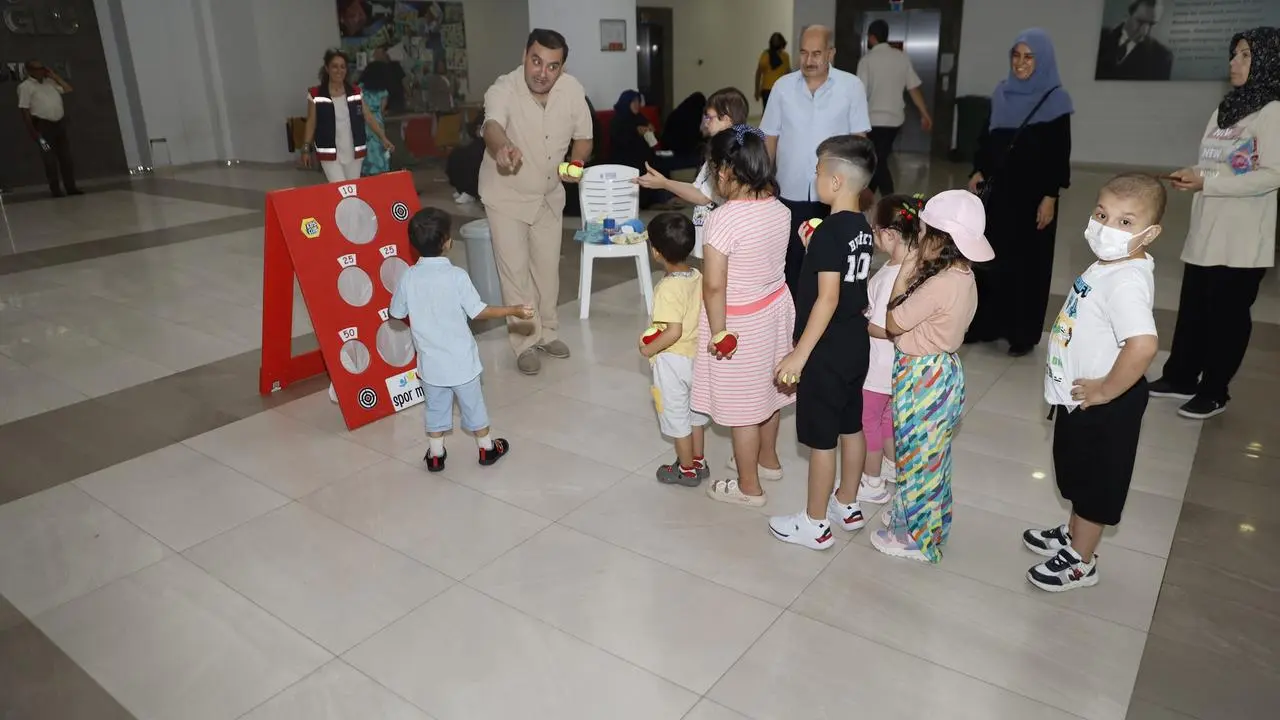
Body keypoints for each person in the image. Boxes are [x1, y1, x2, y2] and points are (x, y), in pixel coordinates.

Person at [1024, 173, 1164, 592]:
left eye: (1125, 222)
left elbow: (1143, 345)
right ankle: (1074, 534)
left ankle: (1081, 561)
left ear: (1149, 234)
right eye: (1102, 215)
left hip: (1105, 404)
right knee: (1077, 473)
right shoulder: (1110, 265)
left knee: (1095, 485)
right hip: (1084, 399)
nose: (1107, 227)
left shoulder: (1125, 280)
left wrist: (1104, 390)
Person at [1153, 28, 1280, 419]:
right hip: (1206, 229)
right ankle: (1181, 377)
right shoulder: (1225, 109)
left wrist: (1207, 182)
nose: (1233, 63)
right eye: (1233, 54)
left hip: (1241, 238)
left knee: (1227, 318)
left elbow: (1272, 174)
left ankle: (1214, 391)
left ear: (1268, 61)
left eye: (1245, 55)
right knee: (1194, 309)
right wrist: (1193, 173)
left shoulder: (1272, 112)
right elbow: (1214, 164)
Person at [768, 135, 877, 550]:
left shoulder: (831, 231)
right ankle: (847, 503)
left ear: (835, 181)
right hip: (855, 342)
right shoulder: (860, 227)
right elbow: (845, 277)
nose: (814, 179)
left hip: (826, 348)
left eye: (817, 172)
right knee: (851, 425)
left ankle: (814, 523)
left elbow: (827, 298)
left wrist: (800, 354)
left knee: (821, 440)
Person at [874, 190, 993, 564]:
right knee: (931, 457)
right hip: (941, 370)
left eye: (925, 232)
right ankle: (925, 521)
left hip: (922, 376)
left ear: (943, 240)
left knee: (916, 461)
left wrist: (906, 268)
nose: (919, 238)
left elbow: (893, 321)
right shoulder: (961, 275)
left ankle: (915, 538)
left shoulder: (940, 284)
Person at [692, 124, 796, 507]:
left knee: (743, 408)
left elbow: (713, 286)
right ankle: (768, 460)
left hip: (739, 322)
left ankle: (749, 487)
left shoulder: (723, 220)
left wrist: (719, 332)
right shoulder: (780, 209)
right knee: (769, 391)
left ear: (724, 170)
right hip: (775, 309)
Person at [480, 29, 593, 375]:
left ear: (562, 67)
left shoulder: (572, 90)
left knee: (547, 272)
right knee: (515, 273)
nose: (542, 73)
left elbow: (584, 138)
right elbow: (492, 126)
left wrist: (576, 163)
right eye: (536, 61)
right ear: (524, 56)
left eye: (552, 66)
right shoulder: (503, 88)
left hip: (548, 197)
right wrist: (502, 148)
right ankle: (525, 342)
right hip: (506, 196)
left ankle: (548, 332)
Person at [389, 208, 534, 472]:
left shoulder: (408, 277)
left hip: (431, 366)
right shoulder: (456, 276)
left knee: (435, 410)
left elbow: (396, 313)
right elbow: (478, 311)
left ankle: (436, 455)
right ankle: (487, 448)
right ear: (447, 242)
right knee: (474, 407)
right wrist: (513, 310)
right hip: (462, 363)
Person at [966, 28, 1073, 357]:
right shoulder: (1001, 94)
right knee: (990, 257)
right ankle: (986, 324)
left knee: (1027, 264)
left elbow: (1058, 153)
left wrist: (1050, 196)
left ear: (1042, 61)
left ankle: (1021, 332)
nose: (1020, 63)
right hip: (998, 193)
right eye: (1016, 55)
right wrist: (978, 170)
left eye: (1029, 57)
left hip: (1032, 197)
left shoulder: (1056, 100)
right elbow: (986, 139)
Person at [761, 25, 872, 303]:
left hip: (836, 197)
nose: (809, 60)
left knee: (831, 263)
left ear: (831, 53)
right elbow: (770, 137)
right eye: (804, 53)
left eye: (817, 53)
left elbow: (859, 142)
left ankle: (826, 316)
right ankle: (792, 318)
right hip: (789, 192)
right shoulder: (782, 87)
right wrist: (761, 180)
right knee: (791, 262)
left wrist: (859, 189)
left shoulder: (851, 87)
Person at [634, 87, 750, 257]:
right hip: (713, 232)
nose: (705, 122)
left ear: (726, 119)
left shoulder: (728, 154)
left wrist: (664, 183)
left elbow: (702, 196)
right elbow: (699, 188)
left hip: (720, 236)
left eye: (709, 117)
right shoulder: (722, 148)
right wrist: (664, 183)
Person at [858, 194, 922, 501]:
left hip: (878, 364)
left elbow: (883, 327)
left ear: (890, 234)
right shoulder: (914, 269)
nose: (873, 236)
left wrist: (859, 319)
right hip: (898, 364)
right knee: (887, 419)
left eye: (875, 230)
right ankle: (892, 467)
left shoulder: (889, 278)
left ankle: (871, 482)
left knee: (867, 421)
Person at [641, 213, 710, 486]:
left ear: (656, 252)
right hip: (697, 356)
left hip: (673, 361)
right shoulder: (697, 276)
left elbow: (673, 331)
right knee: (695, 415)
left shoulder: (667, 288)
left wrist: (648, 350)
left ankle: (686, 469)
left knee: (677, 417)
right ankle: (698, 460)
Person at [857, 20, 933, 197]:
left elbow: (860, 93)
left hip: (872, 121)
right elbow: (913, 88)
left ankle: (889, 202)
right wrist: (925, 114)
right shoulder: (902, 58)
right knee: (879, 159)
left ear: (872, 38)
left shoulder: (866, 60)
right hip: (895, 121)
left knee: (877, 161)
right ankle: (869, 199)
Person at [302, 49, 395, 183]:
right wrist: (306, 148)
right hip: (329, 151)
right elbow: (311, 122)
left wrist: (383, 138)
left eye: (342, 67)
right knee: (340, 187)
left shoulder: (355, 92)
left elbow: (368, 116)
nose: (339, 70)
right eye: (335, 66)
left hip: (354, 151)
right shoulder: (316, 94)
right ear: (327, 69)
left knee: (352, 188)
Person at [17, 60, 80, 198]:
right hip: (42, 128)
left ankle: (71, 187)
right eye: (37, 69)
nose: (41, 71)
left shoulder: (50, 83)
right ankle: (55, 190)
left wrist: (54, 76)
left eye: (42, 68)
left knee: (66, 157)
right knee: (49, 158)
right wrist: (32, 131)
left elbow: (68, 89)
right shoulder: (25, 87)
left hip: (59, 125)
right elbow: (24, 109)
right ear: (29, 70)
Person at [608, 90, 670, 207]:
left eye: (638, 101)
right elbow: (620, 141)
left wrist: (651, 131)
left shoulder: (640, 117)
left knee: (658, 163)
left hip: (643, 155)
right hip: (624, 157)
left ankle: (662, 199)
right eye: (633, 102)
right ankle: (648, 202)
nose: (637, 104)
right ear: (626, 103)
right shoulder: (618, 119)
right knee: (642, 165)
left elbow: (653, 141)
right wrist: (635, 131)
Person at [1095, 0, 1173, 81]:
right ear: (1126, 16)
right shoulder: (1099, 38)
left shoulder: (1162, 58)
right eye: (1140, 22)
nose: (1144, 31)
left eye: (1152, 24)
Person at [659, 91, 706, 160]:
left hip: (667, 148)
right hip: (681, 152)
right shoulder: (693, 117)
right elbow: (692, 137)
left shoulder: (676, 113)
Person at [359, 46, 407, 112]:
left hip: (391, 103)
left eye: (377, 53)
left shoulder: (393, 66)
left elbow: (361, 83)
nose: (375, 56)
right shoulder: (372, 67)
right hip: (391, 104)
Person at [361, 83, 391, 176]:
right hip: (377, 120)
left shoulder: (360, 89)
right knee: (379, 146)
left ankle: (367, 171)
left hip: (364, 122)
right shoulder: (383, 91)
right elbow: (382, 109)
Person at [755, 33, 790, 109]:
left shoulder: (766, 55)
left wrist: (757, 91)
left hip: (769, 90)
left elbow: (758, 74)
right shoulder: (785, 56)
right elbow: (788, 74)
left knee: (768, 112)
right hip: (777, 90)